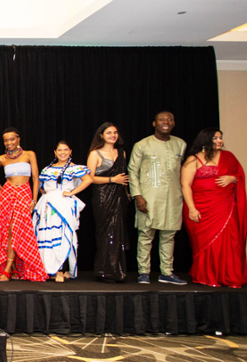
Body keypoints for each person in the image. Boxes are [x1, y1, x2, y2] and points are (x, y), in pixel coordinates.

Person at [0, 128, 48, 282]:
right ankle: (11, 268)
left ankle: (10, 268)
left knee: (16, 229)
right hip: (7, 195)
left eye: (12, 139)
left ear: (18, 139)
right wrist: (1, 188)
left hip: (24, 194)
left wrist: (34, 200)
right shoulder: (1, 159)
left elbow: (36, 179)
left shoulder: (29, 155)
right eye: (6, 140)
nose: (9, 142)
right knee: (7, 229)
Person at [181, 129, 247, 288]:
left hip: (225, 207)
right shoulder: (193, 159)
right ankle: (207, 276)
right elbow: (185, 185)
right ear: (205, 140)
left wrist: (233, 178)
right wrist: (192, 209)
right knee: (206, 244)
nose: (219, 141)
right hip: (201, 208)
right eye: (215, 138)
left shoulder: (228, 156)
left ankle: (229, 276)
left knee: (230, 242)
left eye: (220, 138)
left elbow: (239, 175)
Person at [128, 111, 187, 285]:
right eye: (162, 119)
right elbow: (132, 171)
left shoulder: (180, 144)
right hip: (149, 196)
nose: (166, 122)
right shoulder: (142, 145)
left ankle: (167, 272)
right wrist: (137, 195)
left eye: (170, 119)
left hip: (174, 197)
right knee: (146, 235)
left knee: (169, 236)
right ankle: (143, 272)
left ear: (174, 123)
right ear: (154, 123)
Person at [32, 141, 93, 282]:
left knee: (62, 233)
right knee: (45, 234)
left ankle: (60, 269)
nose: (63, 152)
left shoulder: (74, 168)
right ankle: (47, 269)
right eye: (60, 150)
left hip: (63, 203)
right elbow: (42, 187)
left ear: (70, 151)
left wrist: (72, 192)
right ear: (55, 152)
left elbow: (88, 179)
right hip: (47, 204)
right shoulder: (47, 169)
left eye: (66, 150)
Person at [86, 122, 130, 283]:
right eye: (109, 133)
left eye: (115, 132)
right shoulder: (95, 154)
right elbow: (89, 178)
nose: (113, 135)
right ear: (101, 135)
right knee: (106, 232)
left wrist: (125, 192)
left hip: (119, 196)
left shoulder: (121, 152)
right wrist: (113, 179)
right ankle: (103, 271)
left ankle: (117, 270)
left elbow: (123, 176)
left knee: (118, 231)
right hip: (103, 197)